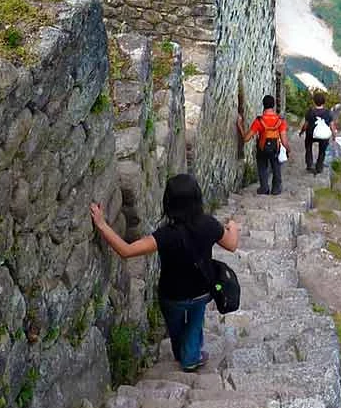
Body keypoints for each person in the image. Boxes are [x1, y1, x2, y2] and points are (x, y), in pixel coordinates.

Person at [90, 174, 240, 372]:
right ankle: (190, 357)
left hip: (172, 295)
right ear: (197, 198)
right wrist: (234, 227)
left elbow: (126, 250)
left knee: (176, 328)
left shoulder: (164, 236)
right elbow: (231, 244)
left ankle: (182, 353)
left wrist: (101, 224)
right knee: (194, 324)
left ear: (169, 202)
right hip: (200, 291)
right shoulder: (208, 224)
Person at [237, 95, 288, 196]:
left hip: (262, 148)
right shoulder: (280, 121)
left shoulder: (259, 121)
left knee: (262, 165)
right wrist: (288, 149)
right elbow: (284, 140)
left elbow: (246, 138)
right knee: (276, 166)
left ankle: (264, 188)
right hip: (275, 148)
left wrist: (239, 125)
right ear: (273, 105)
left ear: (263, 105)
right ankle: (276, 188)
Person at [301, 89, 339, 175]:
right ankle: (319, 167)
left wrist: (302, 131)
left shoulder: (310, 112)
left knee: (308, 147)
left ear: (314, 101)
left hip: (311, 134)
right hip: (324, 135)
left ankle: (309, 164)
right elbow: (332, 125)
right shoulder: (328, 113)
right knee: (322, 151)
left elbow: (306, 124)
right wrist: (334, 135)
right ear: (324, 102)